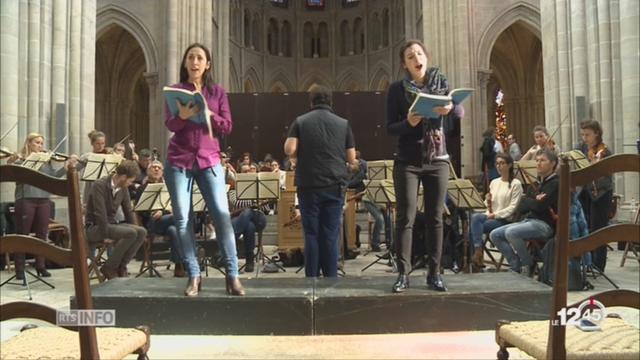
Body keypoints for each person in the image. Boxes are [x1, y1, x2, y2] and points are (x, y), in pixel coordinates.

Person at [164, 43, 244, 296]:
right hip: (179, 159)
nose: (195, 62)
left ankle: (232, 276)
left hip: (209, 159)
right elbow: (171, 124)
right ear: (185, 63)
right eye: (191, 57)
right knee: (182, 220)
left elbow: (227, 126)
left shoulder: (217, 92)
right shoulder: (176, 90)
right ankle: (194, 275)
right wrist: (185, 114)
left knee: (221, 215)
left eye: (200, 58)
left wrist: (208, 113)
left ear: (207, 64)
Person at [386, 39, 465, 293]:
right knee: (405, 218)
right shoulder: (397, 90)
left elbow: (456, 121)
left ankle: (435, 273)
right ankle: (403, 274)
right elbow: (390, 128)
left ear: (426, 58)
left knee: (435, 218)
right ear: (405, 64)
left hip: (437, 159)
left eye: (419, 53)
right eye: (410, 56)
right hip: (407, 161)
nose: (416, 58)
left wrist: (452, 109)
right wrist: (408, 121)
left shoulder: (441, 85)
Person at [284, 84, 357, 277]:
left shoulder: (300, 121)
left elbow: (290, 149)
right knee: (330, 235)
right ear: (330, 101)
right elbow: (351, 159)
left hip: (308, 185)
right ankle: (331, 279)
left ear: (311, 102)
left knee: (311, 234)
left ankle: (312, 280)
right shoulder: (343, 123)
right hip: (335, 185)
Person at [7, 133, 77, 280]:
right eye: (37, 143)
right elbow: (12, 173)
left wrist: (66, 167)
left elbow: (54, 177)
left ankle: (41, 266)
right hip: (26, 199)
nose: (40, 146)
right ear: (29, 143)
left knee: (42, 235)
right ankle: (20, 269)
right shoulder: (21, 160)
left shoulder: (46, 161)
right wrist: (12, 161)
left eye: (41, 143)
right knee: (23, 235)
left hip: (44, 200)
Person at [489, 148, 559, 276]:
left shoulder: (555, 183)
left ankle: (528, 263)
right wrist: (532, 201)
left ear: (553, 163)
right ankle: (516, 265)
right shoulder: (537, 183)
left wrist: (531, 201)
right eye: (537, 160)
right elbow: (522, 205)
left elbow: (539, 207)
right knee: (495, 234)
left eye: (542, 160)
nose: (538, 163)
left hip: (545, 225)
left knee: (511, 232)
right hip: (528, 221)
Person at [84, 160, 146, 280]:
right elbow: (100, 213)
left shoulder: (123, 188)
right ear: (123, 177)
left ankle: (121, 267)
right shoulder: (99, 185)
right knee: (130, 233)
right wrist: (105, 234)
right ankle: (109, 267)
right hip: (95, 227)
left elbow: (128, 211)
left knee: (141, 231)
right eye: (130, 180)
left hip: (111, 225)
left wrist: (136, 227)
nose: (130, 183)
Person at [469, 153, 523, 271]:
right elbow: (487, 205)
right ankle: (478, 252)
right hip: (491, 216)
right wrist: (487, 201)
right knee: (474, 218)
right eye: (497, 163)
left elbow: (512, 208)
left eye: (502, 163)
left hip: (504, 220)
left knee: (473, 228)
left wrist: (495, 214)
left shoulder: (515, 184)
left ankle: (477, 259)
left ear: (509, 165)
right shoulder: (494, 182)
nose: (499, 166)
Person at [577, 120, 613, 272]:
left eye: (587, 135)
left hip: (601, 194)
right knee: (586, 228)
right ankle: (588, 261)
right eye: (583, 135)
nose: (584, 138)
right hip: (585, 193)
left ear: (597, 134)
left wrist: (593, 166)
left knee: (599, 229)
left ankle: (599, 264)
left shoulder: (604, 151)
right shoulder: (582, 150)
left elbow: (606, 177)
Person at [480, 127, 499, 192]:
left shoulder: (488, 140)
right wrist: (495, 153)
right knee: (492, 180)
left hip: (489, 163)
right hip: (489, 164)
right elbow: (487, 153)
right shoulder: (488, 141)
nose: (495, 135)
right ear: (492, 133)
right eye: (494, 133)